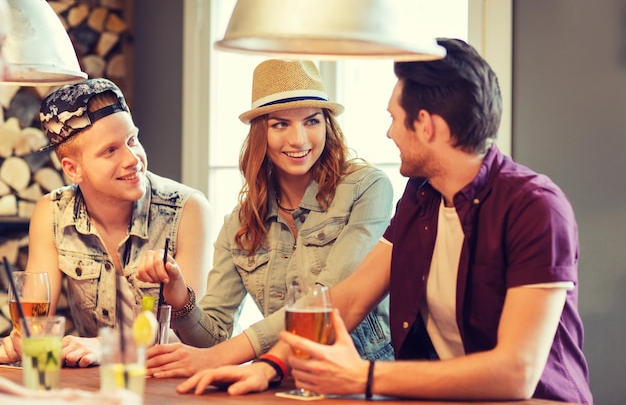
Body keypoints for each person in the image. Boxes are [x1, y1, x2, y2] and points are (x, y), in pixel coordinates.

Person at [175, 39, 593, 404]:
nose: (389, 133)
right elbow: (349, 298)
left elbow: (517, 373)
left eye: (394, 118)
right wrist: (268, 365)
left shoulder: (535, 208)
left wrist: (362, 376)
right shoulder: (421, 196)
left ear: (426, 125)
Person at [139, 59, 394, 378]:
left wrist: (223, 357)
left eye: (312, 121)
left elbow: (327, 301)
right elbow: (213, 338)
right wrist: (180, 299)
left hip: (366, 379)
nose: (299, 140)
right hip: (283, 382)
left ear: (328, 124)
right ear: (261, 132)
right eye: (280, 124)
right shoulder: (240, 225)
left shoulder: (367, 187)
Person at [0, 78, 212, 367]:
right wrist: (22, 341)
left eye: (132, 140)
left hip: (179, 382)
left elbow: (195, 332)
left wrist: (109, 347)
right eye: (110, 150)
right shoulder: (51, 212)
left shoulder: (188, 209)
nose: (132, 159)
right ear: (73, 169)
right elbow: (35, 324)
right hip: (97, 383)